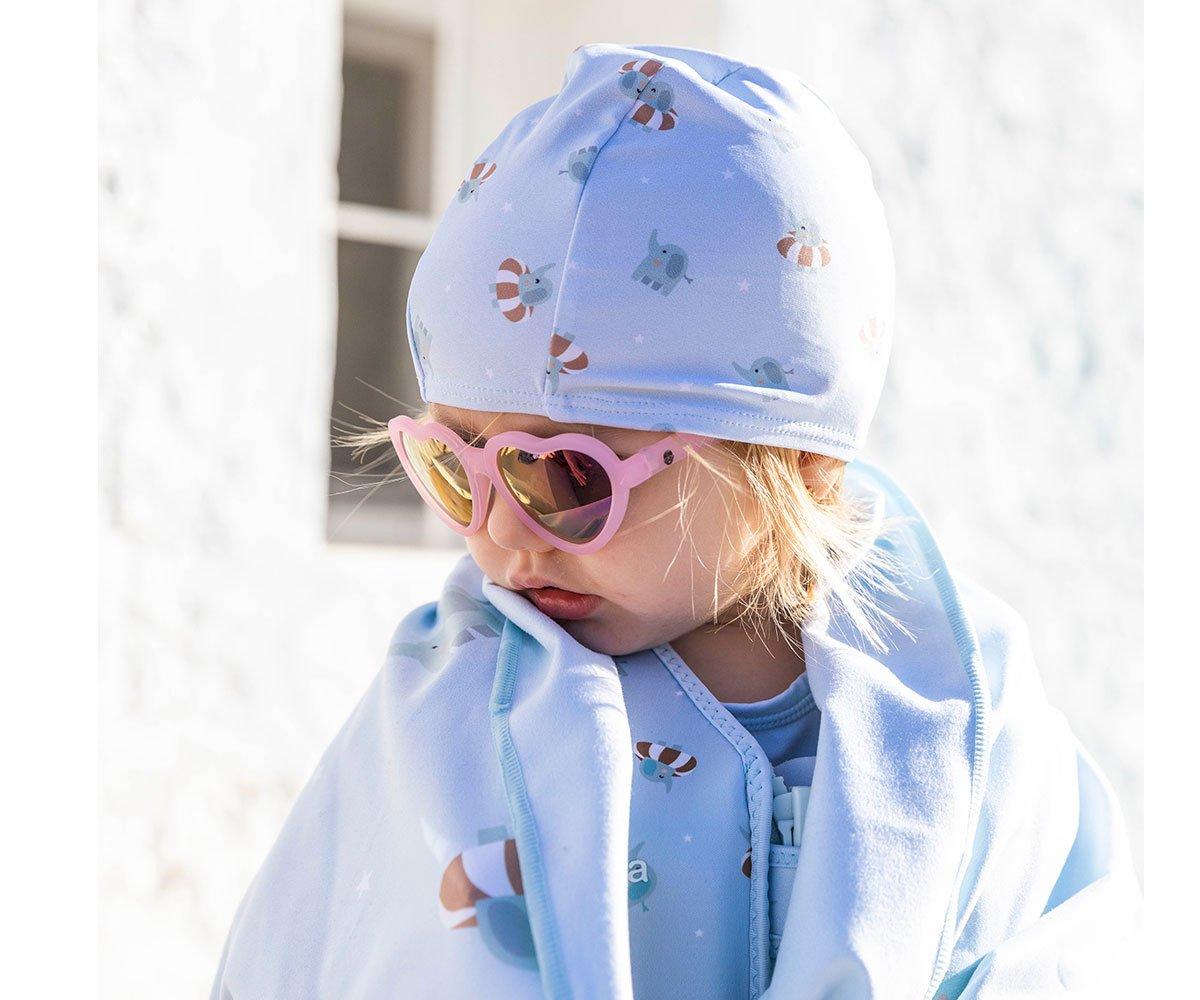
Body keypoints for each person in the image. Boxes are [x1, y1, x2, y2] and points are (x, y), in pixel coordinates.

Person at [210, 42, 1139, 999]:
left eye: (566, 478)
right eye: (454, 469)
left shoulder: (964, 717)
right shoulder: (447, 714)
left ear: (800, 462)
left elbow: (1066, 949)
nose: (501, 537)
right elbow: (322, 944)